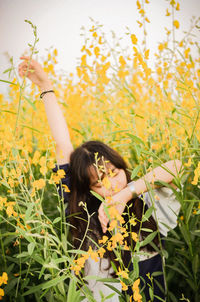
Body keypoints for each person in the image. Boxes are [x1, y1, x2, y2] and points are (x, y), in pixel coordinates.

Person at [18, 57, 182, 301]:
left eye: (115, 172)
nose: (112, 183)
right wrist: (45, 87)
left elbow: (176, 168)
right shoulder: (81, 214)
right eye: (99, 182)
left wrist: (128, 192)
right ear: (86, 190)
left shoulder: (145, 204)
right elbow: (62, 144)